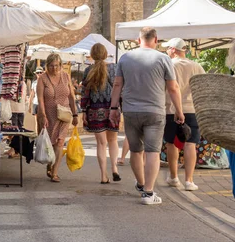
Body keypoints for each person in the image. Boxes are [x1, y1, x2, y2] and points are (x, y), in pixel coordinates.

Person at [110, 27, 185, 205]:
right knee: (153, 151)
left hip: (130, 111)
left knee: (136, 150)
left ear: (138, 40)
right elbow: (173, 88)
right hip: (154, 112)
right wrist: (179, 111)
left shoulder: (126, 57)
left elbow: (117, 84)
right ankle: (149, 193)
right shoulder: (163, 58)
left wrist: (113, 108)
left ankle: (142, 184)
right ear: (156, 40)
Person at [161, 38, 205, 191]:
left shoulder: (170, 65)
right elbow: (203, 88)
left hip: (172, 109)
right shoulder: (197, 66)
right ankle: (189, 181)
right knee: (190, 144)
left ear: (173, 49)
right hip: (192, 108)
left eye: (168, 48)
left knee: (172, 143)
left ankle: (173, 177)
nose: (166, 51)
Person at [81, 43, 120, 184]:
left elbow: (84, 93)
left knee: (101, 144)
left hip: (95, 110)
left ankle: (103, 175)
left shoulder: (87, 70)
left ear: (92, 55)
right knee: (113, 140)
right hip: (111, 108)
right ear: (105, 54)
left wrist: (84, 111)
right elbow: (118, 87)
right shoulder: (113, 67)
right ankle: (114, 168)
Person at [37, 53, 79, 182]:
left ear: (60, 65)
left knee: (60, 142)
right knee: (49, 143)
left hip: (64, 115)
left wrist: (75, 113)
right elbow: (40, 99)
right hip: (48, 115)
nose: (54, 68)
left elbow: (71, 96)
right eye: (51, 66)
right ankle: (49, 164)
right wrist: (43, 115)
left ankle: (55, 172)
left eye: (56, 65)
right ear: (47, 66)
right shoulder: (42, 78)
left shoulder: (65, 76)